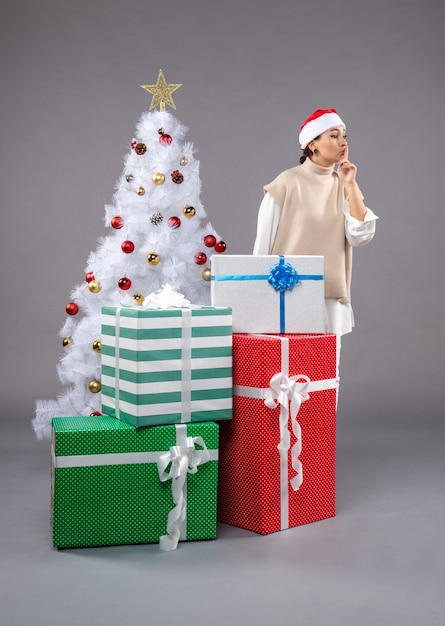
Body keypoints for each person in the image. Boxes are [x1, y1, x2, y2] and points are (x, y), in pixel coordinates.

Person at [253, 108, 378, 392]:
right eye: (334, 135)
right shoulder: (286, 183)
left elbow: (360, 236)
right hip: (286, 294)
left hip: (330, 296)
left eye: (344, 135)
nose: (343, 141)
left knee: (324, 376)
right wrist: (259, 296)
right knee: (285, 372)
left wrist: (350, 183)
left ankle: (319, 436)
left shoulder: (343, 186)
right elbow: (262, 246)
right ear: (312, 143)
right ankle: (284, 436)